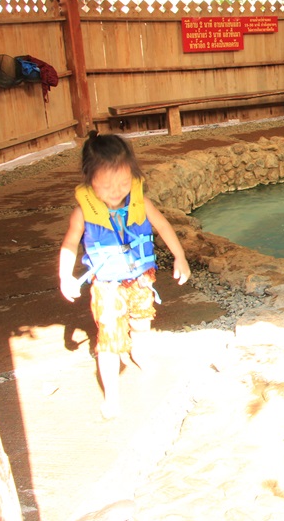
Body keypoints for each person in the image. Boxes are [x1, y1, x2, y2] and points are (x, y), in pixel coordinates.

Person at [58, 132, 191, 420]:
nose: (117, 191)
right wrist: (65, 276)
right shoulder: (82, 213)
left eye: (123, 182)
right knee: (109, 341)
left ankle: (139, 354)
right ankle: (111, 395)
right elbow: (69, 244)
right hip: (107, 286)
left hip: (141, 279)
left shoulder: (140, 203)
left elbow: (163, 227)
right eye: (107, 185)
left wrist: (179, 257)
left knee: (142, 325)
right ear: (90, 181)